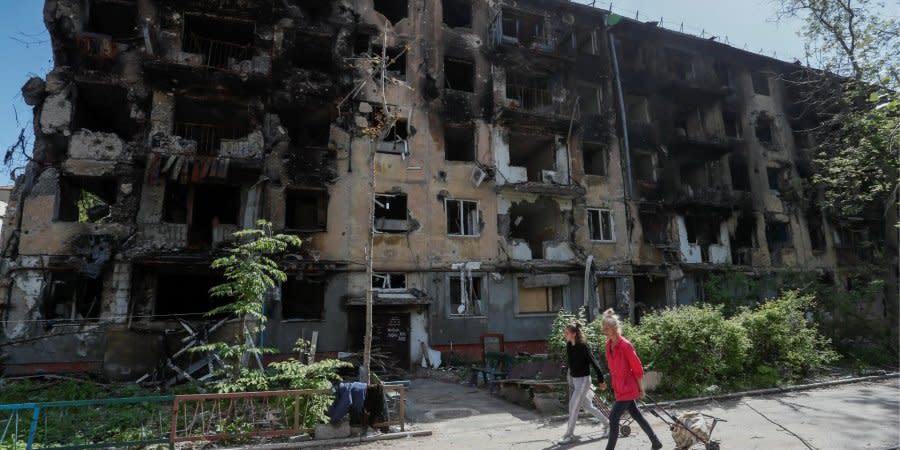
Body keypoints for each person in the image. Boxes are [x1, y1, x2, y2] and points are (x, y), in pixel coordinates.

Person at [600, 308, 663, 450]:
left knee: (613, 418)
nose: (605, 331)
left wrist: (641, 389)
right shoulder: (608, 346)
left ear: (615, 328)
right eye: (603, 328)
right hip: (619, 388)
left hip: (628, 388)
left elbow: (637, 368)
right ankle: (655, 441)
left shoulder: (625, 346)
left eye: (607, 328)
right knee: (637, 415)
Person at [558, 322, 609, 444]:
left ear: (574, 334)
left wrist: (601, 380)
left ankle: (569, 435)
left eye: (567, 333)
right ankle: (609, 423)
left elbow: (594, 363)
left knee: (573, 407)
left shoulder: (583, 346)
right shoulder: (569, 345)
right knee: (587, 406)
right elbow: (572, 363)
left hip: (583, 381)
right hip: (575, 380)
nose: (565, 335)